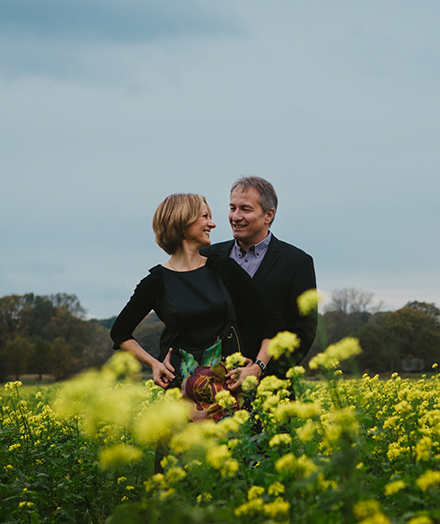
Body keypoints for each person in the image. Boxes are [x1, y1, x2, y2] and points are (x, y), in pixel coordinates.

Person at [110, 193, 284, 416]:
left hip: (230, 392)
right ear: (183, 223)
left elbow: (272, 320)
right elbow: (120, 332)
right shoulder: (156, 282)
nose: (212, 223)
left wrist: (256, 367)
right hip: (180, 395)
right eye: (205, 216)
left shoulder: (223, 269)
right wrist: (155, 364)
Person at [203, 176, 317, 381]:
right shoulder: (207, 257)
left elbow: (302, 332)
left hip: (270, 389)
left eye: (245, 209)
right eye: (232, 208)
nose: (235, 217)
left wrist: (261, 371)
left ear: (268, 215)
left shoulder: (297, 262)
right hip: (211, 385)